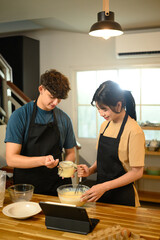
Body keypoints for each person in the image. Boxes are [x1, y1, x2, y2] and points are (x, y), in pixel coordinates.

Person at [5, 69, 77, 196]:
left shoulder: (64, 119)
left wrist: (67, 167)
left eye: (59, 99)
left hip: (57, 186)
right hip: (27, 189)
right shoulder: (20, 116)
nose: (56, 102)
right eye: (52, 97)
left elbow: (71, 152)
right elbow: (11, 159)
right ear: (41, 89)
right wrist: (42, 161)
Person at [78, 80, 145, 207]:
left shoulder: (134, 131)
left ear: (118, 105)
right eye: (98, 109)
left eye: (104, 109)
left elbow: (137, 172)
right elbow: (103, 160)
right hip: (102, 195)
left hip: (123, 198)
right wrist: (90, 170)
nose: (101, 114)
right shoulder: (105, 125)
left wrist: (104, 186)